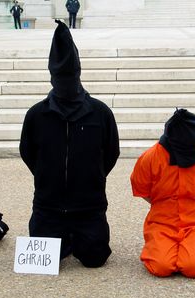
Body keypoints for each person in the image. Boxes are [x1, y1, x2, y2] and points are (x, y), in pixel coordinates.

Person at [19, 20, 120, 268]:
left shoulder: (100, 113)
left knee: (95, 259)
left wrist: (92, 176)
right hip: (48, 205)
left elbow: (111, 153)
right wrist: (47, 175)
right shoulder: (36, 115)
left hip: (89, 205)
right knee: (46, 263)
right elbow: (28, 152)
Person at [130, 108, 195, 278]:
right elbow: (141, 189)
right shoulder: (152, 156)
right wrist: (162, 205)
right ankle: (167, 249)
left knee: (193, 267)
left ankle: (185, 250)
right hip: (162, 222)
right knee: (161, 267)